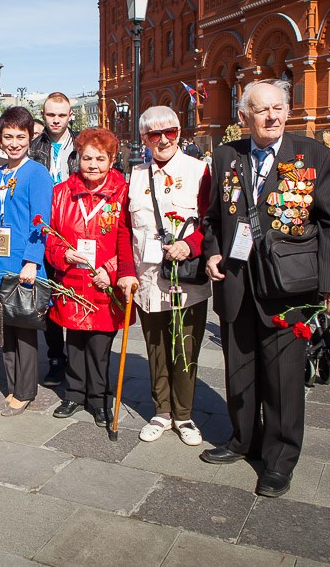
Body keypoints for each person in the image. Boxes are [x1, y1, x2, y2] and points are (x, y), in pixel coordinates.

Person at [202, 80, 330, 497]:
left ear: (287, 111)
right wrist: (212, 252)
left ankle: (280, 459)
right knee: (240, 370)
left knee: (284, 378)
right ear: (243, 115)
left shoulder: (314, 156)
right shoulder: (226, 156)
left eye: (278, 108)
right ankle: (243, 439)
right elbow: (213, 217)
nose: (271, 117)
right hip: (237, 283)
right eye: (261, 109)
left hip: (290, 287)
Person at [119, 107, 212, 446]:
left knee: (185, 346)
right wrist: (126, 272)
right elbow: (123, 229)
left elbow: (211, 222)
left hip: (185, 277)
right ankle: (161, 411)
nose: (163, 140)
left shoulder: (200, 171)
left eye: (169, 132)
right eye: (153, 135)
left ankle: (184, 415)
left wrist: (191, 244)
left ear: (179, 132)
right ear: (144, 139)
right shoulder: (136, 175)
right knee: (156, 345)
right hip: (148, 277)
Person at [46, 128, 135, 427]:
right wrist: (63, 253)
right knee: (74, 342)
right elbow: (51, 237)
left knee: (99, 345)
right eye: (87, 158)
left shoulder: (124, 193)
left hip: (103, 284)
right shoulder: (62, 193)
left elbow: (130, 240)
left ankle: (98, 399)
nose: (93, 165)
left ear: (111, 160)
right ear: (78, 159)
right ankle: (73, 393)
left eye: (100, 158)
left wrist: (111, 270)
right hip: (72, 281)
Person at [0, 107, 53, 416]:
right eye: (8, 136)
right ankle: (12, 385)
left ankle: (24, 390)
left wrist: (32, 262)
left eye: (20, 136)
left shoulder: (37, 173)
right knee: (4, 327)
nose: (14, 143)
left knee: (23, 328)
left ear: (30, 137)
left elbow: (41, 222)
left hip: (22, 263)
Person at [29, 92, 79, 388]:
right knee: (46, 295)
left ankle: (76, 357)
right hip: (44, 226)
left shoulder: (82, 146)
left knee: (73, 291)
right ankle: (56, 358)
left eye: (61, 115)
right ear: (44, 115)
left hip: (74, 225)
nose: (56, 120)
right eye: (50, 115)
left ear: (70, 115)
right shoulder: (35, 147)